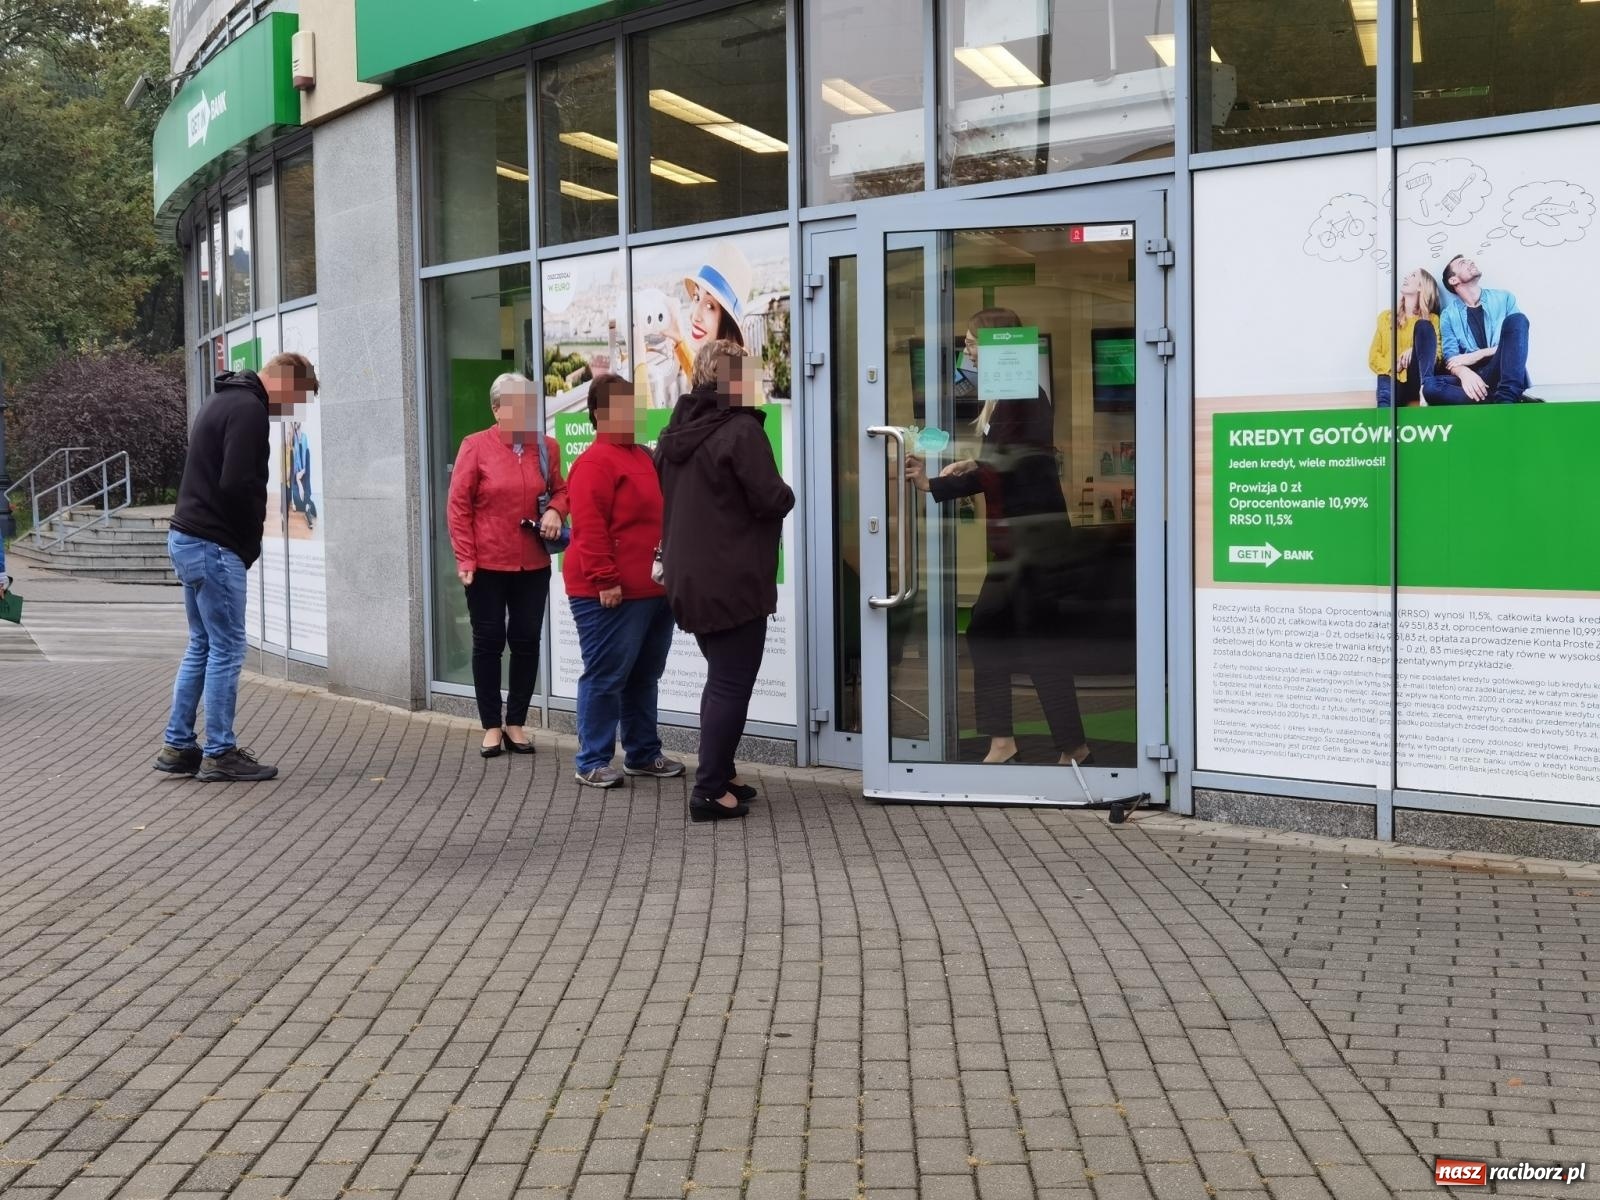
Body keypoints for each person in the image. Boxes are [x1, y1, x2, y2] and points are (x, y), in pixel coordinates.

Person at [906, 308, 1090, 768]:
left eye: (971, 343)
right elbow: (1004, 459)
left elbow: (1007, 464)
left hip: (1033, 545)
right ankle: (1009, 741)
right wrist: (969, 466)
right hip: (1015, 545)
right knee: (988, 632)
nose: (966, 351)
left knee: (1032, 641)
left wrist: (938, 483)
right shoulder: (1007, 398)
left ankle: (1072, 746)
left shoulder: (1023, 395)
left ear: (995, 346)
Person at [153, 352, 318, 782]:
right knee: (227, 648)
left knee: (202, 644)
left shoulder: (223, 399)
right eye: (297, 397)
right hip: (214, 542)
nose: (293, 409)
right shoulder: (250, 410)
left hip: (187, 536)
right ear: (285, 381)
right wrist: (248, 543)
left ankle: (178, 745)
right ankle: (220, 752)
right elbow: (239, 484)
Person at [656, 339, 794, 822]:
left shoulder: (676, 430)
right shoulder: (740, 431)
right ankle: (710, 791)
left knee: (720, 680)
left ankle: (724, 771)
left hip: (688, 575)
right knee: (731, 684)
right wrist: (788, 494)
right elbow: (770, 497)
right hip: (733, 577)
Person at [564, 375, 684, 788]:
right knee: (606, 674)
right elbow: (590, 528)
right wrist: (605, 580)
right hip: (609, 592)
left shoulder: (643, 457)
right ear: (598, 415)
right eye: (620, 407)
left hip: (651, 590)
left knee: (644, 674)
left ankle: (642, 753)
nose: (631, 414)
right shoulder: (595, 463)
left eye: (633, 405)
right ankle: (592, 760)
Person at [448, 373, 569, 758]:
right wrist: (465, 556)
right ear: (497, 409)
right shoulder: (475, 447)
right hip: (486, 564)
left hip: (532, 564)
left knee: (525, 641)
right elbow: (459, 506)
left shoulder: (546, 447)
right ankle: (490, 725)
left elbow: (562, 490)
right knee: (488, 643)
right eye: (516, 405)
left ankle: (515, 721)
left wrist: (555, 509)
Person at [1418, 255, 1535, 405]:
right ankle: (1499, 401)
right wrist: (1464, 373)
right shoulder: (1449, 315)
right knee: (1431, 387)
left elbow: (1516, 344)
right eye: (1463, 263)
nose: (1470, 262)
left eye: (1469, 260)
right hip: (1473, 379)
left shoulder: (1504, 298)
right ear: (1454, 280)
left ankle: (1506, 399)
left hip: (1504, 371)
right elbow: (1451, 358)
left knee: (1518, 319)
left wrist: (1478, 355)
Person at [1368, 268, 1441, 408]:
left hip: (1418, 379)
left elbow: (1437, 356)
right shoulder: (1386, 317)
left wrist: (1414, 350)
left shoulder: (1432, 319)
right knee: (1384, 380)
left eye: (1413, 275)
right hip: (1393, 378)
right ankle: (1384, 421)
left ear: (1421, 287)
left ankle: (1425, 395)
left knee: (1423, 326)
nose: (1406, 277)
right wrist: (1395, 366)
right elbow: (1373, 357)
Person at [291, 422, 316, 531]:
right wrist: (298, 476)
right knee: (300, 487)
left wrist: (304, 470)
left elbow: (306, 457)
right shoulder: (294, 439)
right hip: (298, 472)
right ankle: (307, 509)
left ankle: (308, 510)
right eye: (295, 424)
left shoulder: (304, 437)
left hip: (305, 470)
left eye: (298, 423)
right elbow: (295, 460)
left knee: (306, 488)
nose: (297, 426)